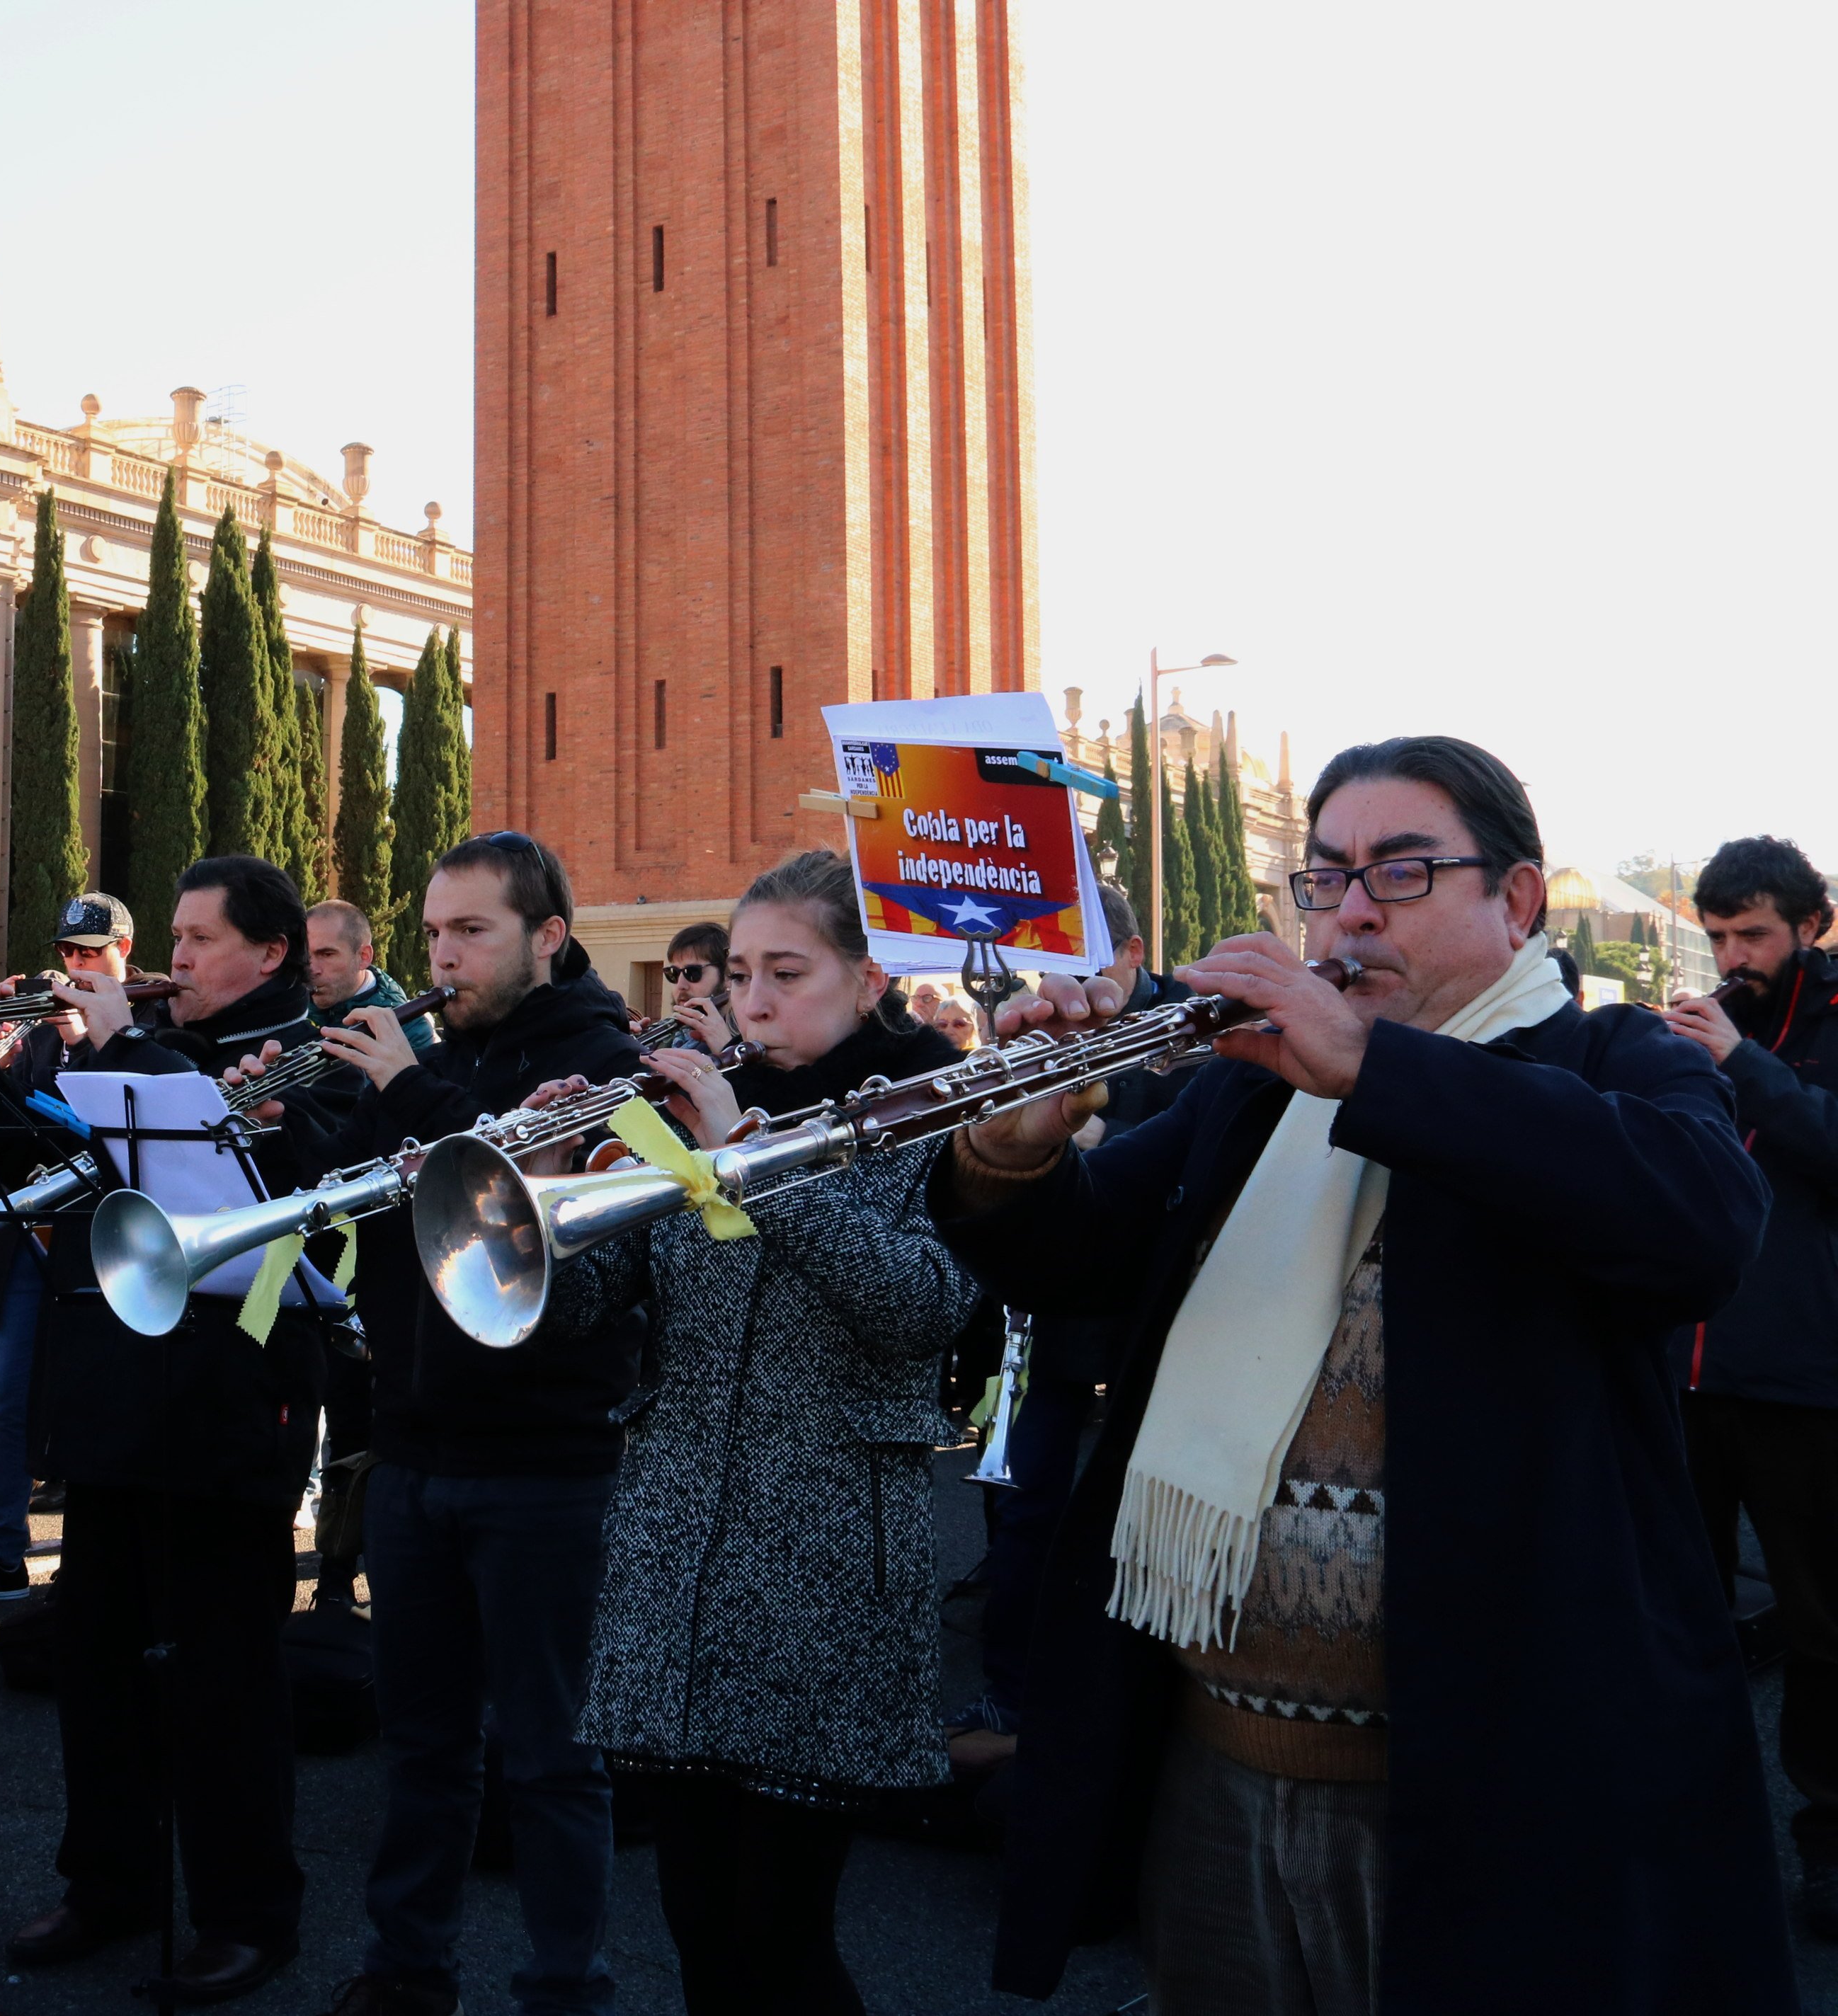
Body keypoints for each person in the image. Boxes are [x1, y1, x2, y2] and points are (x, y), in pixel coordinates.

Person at [935, 736, 1795, 2012]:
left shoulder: (1614, 1059)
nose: (1346, 910)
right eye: (1325, 874)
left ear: (1515, 900)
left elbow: (1698, 1221)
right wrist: (1010, 1150)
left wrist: (1371, 1069)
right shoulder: (1252, 1092)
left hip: (1492, 1783)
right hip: (1209, 1763)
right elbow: (1074, 1254)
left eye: (1398, 873)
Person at [501, 851, 971, 2016]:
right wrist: (546, 1191)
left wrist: (745, 1161)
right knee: (699, 1929)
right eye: (740, 973)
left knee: (784, 1937)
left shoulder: (937, 1109)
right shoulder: (683, 1114)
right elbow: (578, 1320)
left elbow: (920, 1307)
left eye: (786, 973)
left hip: (823, 1562)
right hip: (678, 1553)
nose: (751, 1002)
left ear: (868, 981)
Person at [277, 833, 646, 2016]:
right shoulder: (445, 1051)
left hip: (546, 1462)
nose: (443, 955)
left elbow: (500, 1195)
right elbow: (355, 1208)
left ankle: (563, 1984)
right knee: (423, 1745)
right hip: (415, 1444)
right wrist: (293, 1106)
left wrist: (406, 1084)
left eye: (471, 931)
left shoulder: (601, 1056)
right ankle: (405, 1968)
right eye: (433, 932)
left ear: (547, 935)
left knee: (548, 1758)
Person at [0, 857, 333, 2002]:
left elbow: (279, 1192)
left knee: (223, 1675)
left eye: (195, 940)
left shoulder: (313, 1054)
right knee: (95, 1659)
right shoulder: (146, 1047)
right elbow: (61, 1172)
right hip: (115, 1394)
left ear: (269, 950)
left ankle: (248, 1912)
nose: (170, 960)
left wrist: (112, 1051)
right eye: (173, 940)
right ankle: (110, 1883)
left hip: (232, 1401)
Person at [956, 883, 1191, 1761]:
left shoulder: (1193, 1035)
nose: (1069, 985)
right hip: (1056, 1330)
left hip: (1149, 1339)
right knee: (1027, 1516)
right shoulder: (1050, 1018)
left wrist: (1077, 1141)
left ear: (1132, 958)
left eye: (1086, 964)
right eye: (1055, 964)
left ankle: (1116, 1723)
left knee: (1134, 1536)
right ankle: (1009, 1704)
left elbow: (1165, 1155)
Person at [1659, 835, 1838, 1938]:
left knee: (1823, 1630)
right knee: (1678, 1614)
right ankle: (1686, 1839)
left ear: (1813, 928)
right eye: (1719, 936)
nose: (1733, 955)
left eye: (1755, 935)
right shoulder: (1702, 1026)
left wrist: (1742, 1062)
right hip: (1681, 1366)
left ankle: (1829, 1843)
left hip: (1805, 1377)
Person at [0, 894, 156, 1600]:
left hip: (107, 1239)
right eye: (68, 953)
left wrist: (91, 1042)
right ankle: (0, 1547)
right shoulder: (40, 1035)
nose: (78, 965)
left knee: (92, 1402)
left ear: (125, 947)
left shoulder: (142, 1019)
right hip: (29, 1231)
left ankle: (91, 1563)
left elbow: (131, 1123)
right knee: (0, 1395)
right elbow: (14, 1125)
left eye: (93, 951)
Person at [308, 900, 438, 1057]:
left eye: (327, 955)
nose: (312, 969)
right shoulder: (291, 1000)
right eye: (305, 956)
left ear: (364, 957)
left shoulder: (409, 1030)